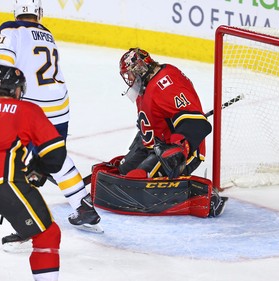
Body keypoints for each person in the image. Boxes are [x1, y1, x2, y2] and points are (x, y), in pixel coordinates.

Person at [0, 0, 102, 248]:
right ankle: (83, 205)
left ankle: (25, 223)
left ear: (17, 11)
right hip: (59, 102)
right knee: (54, 154)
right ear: (38, 12)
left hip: (32, 105)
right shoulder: (46, 33)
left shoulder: (10, 30)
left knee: (17, 162)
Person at [91, 48, 227, 217]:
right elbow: (149, 126)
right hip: (153, 145)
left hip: (178, 151)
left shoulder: (166, 83)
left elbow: (198, 125)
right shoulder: (145, 86)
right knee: (123, 172)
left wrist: (178, 148)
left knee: (135, 180)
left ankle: (204, 195)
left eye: (130, 75)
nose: (129, 80)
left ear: (139, 69)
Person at [0, 65, 64, 280]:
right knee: (47, 234)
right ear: (18, 90)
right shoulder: (26, 110)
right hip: (3, 182)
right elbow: (56, 154)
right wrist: (38, 169)